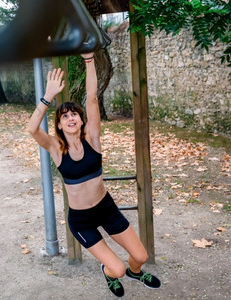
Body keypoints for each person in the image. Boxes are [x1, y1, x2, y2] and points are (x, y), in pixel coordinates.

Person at [27, 53, 161, 298]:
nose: (70, 118)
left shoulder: (92, 139)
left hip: (106, 209)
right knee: (117, 269)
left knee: (140, 257)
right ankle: (109, 273)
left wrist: (89, 61)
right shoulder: (56, 149)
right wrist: (48, 97)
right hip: (81, 220)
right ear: (58, 125)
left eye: (74, 114)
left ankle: (136, 271)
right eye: (64, 116)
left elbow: (91, 99)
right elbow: (32, 129)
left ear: (81, 120)